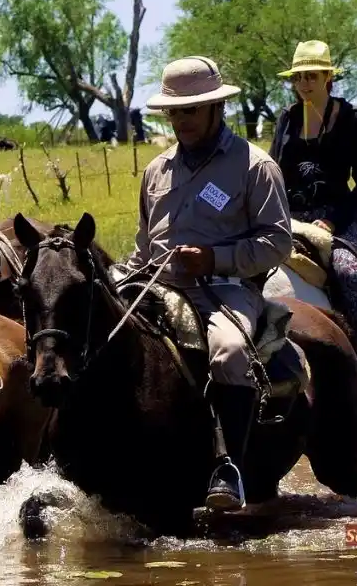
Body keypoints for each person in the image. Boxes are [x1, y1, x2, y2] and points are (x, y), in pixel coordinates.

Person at [127, 56, 294, 512]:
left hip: (225, 289)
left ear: (217, 108)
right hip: (156, 284)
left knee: (230, 352)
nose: (181, 121)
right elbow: (144, 243)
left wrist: (214, 258)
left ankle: (228, 468)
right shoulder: (156, 169)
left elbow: (278, 241)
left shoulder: (254, 166)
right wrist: (123, 276)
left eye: (191, 110)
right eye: (174, 112)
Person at [268, 40, 357, 422]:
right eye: (298, 77)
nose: (304, 84)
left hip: (335, 218)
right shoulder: (286, 119)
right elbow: (273, 172)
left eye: (312, 76)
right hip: (289, 216)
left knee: (351, 275)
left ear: (328, 78)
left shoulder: (352, 120)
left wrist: (333, 220)